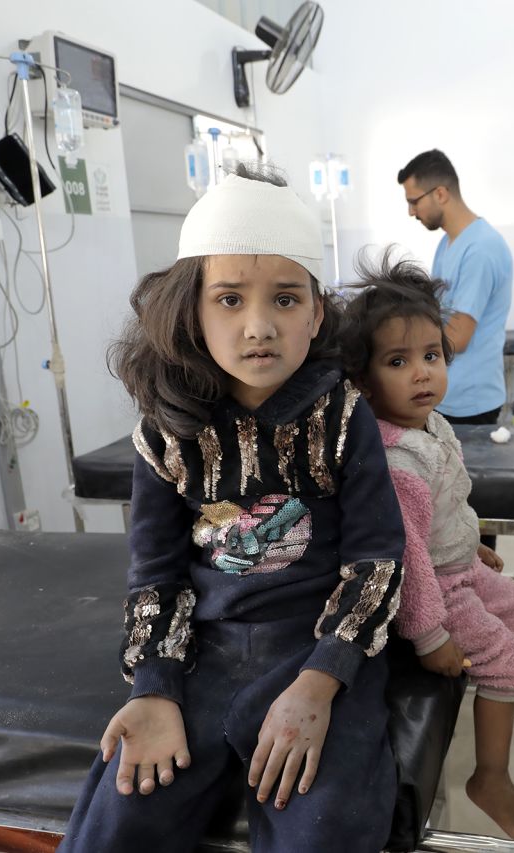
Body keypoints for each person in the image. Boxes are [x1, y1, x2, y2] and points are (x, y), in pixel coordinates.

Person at [59, 165, 407, 853]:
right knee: (117, 825)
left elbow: (376, 561)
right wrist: (155, 686)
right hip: (201, 661)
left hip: (311, 650)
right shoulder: (166, 428)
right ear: (193, 310)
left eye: (284, 299)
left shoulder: (341, 414)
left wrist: (321, 681)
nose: (258, 327)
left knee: (324, 831)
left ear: (315, 312)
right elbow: (155, 572)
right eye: (228, 300)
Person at [341, 254, 514, 841]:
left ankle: (503, 694)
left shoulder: (431, 426)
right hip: (432, 587)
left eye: (431, 356)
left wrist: (471, 542)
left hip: (457, 564)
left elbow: (451, 500)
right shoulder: (398, 458)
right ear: (361, 381)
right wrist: (431, 637)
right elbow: (406, 556)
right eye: (398, 362)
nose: (422, 374)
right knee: (505, 655)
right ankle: (491, 776)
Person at [398, 149, 512, 425]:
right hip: (447, 395)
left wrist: (399, 347)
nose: (411, 211)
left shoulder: (481, 249)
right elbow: (437, 313)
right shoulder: (448, 243)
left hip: (470, 403)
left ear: (440, 193)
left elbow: (458, 337)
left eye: (414, 201)